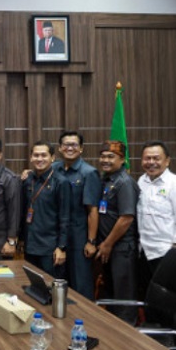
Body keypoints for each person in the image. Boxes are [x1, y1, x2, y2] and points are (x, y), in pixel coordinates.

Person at [136, 140, 176, 296]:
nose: (151, 162)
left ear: (167, 161)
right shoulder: (142, 181)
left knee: (167, 299)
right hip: (145, 252)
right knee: (148, 296)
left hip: (167, 254)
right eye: (147, 159)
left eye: (156, 158)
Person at [95, 140, 140, 324]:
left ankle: (127, 337)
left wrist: (107, 244)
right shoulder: (105, 179)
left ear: (122, 160)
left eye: (111, 157)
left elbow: (126, 218)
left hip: (121, 248)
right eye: (103, 156)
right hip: (109, 248)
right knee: (111, 293)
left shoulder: (124, 183)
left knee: (123, 297)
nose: (106, 160)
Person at [52, 131, 101, 300]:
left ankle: (85, 322)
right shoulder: (54, 168)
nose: (69, 148)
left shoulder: (89, 173)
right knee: (59, 283)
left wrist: (91, 241)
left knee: (80, 285)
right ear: (59, 148)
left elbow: (92, 211)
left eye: (74, 145)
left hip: (79, 238)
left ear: (81, 149)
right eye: (66, 144)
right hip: (59, 237)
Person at [21, 141, 70, 276]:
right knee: (31, 287)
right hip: (30, 246)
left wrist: (61, 247)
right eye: (36, 155)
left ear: (52, 158)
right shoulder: (27, 179)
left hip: (50, 249)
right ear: (31, 158)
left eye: (44, 155)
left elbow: (65, 217)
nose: (39, 159)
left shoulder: (61, 182)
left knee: (49, 290)